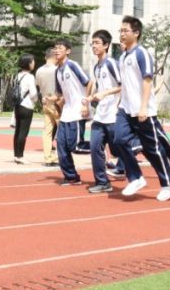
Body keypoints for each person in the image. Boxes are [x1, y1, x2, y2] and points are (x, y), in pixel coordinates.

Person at [111, 15, 170, 201]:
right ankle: (136, 177)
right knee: (118, 139)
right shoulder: (123, 56)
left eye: (126, 31)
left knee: (153, 149)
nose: (122, 34)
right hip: (126, 108)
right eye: (121, 31)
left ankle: (168, 182)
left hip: (143, 110)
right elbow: (126, 84)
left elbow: (147, 80)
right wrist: (120, 103)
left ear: (136, 33)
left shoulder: (142, 53)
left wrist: (143, 107)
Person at [87, 29, 122, 193]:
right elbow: (102, 89)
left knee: (120, 149)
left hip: (114, 115)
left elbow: (123, 86)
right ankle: (102, 181)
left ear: (106, 45)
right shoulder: (96, 67)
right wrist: (93, 97)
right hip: (101, 115)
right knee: (95, 147)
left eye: (97, 43)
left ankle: (133, 168)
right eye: (92, 43)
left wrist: (106, 94)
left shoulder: (112, 63)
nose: (94, 46)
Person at [52, 39, 90, 185]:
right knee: (61, 145)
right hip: (67, 113)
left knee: (75, 146)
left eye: (60, 48)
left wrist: (86, 103)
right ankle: (71, 176)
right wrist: (50, 99)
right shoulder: (57, 71)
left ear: (67, 51)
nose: (56, 50)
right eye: (55, 48)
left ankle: (98, 148)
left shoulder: (72, 65)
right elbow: (60, 94)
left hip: (78, 111)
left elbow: (89, 82)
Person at [11, 54, 37, 164]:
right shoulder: (30, 77)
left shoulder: (17, 76)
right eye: (32, 61)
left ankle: (16, 155)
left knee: (17, 131)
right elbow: (33, 94)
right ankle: (20, 156)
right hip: (27, 106)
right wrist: (36, 100)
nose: (34, 63)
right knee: (23, 132)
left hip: (17, 105)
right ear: (29, 63)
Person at [36, 48, 60, 166]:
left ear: (46, 57)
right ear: (55, 57)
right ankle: (58, 156)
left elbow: (38, 85)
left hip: (45, 101)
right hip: (57, 102)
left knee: (47, 131)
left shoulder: (39, 70)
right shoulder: (57, 70)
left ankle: (47, 157)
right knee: (62, 129)